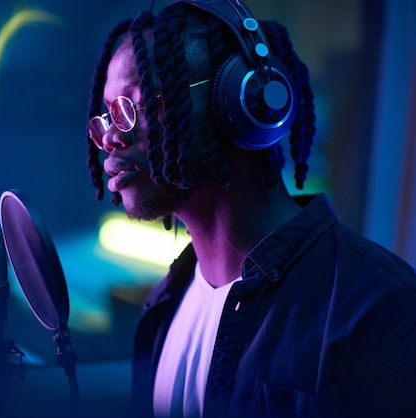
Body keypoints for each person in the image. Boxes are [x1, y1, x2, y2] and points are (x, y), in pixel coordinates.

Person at [85, 1, 416, 417]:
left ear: (238, 104)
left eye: (134, 106)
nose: (109, 139)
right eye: (106, 116)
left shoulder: (381, 315)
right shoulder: (163, 307)